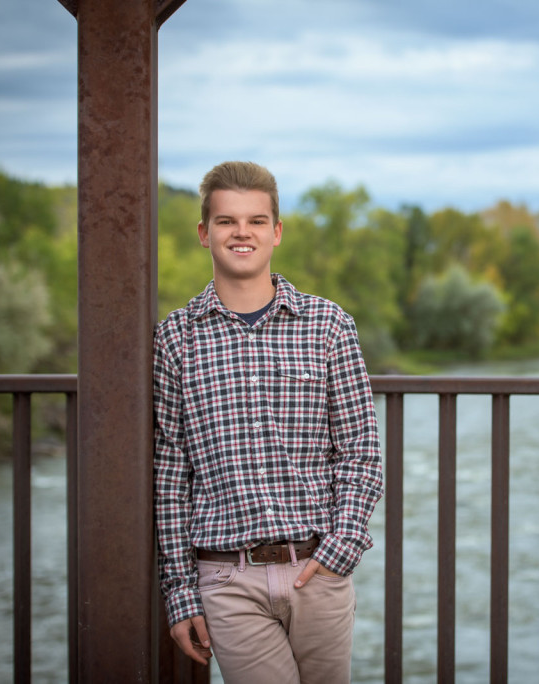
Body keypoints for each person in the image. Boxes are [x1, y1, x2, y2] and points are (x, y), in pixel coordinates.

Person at [153, 161, 384, 683]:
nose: (242, 233)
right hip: (227, 578)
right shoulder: (175, 339)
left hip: (317, 570)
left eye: (256, 221)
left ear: (276, 232)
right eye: (226, 221)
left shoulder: (328, 326)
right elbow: (171, 473)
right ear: (204, 233)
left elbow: (360, 452)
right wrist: (180, 590)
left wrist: (341, 547)